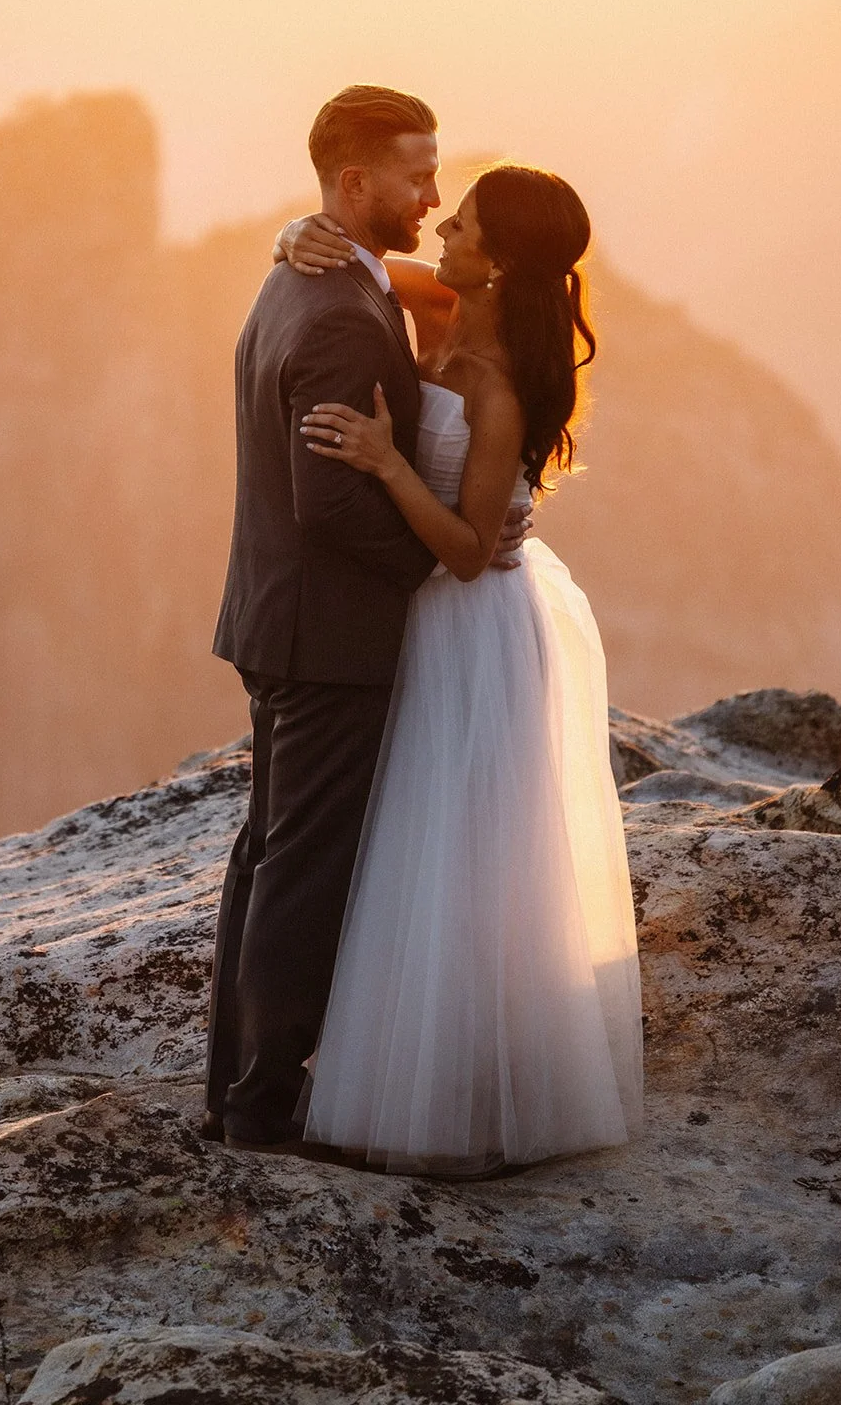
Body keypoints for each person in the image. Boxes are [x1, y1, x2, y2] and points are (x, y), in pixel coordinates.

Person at [287, 163, 643, 1177]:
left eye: (465, 222)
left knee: (464, 857)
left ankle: (469, 1096)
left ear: (503, 257)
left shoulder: (499, 387)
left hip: (473, 622)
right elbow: (361, 265)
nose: (440, 223)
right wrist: (293, 233)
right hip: (425, 614)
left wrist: (383, 458)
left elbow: (464, 543)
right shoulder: (438, 299)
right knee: (413, 844)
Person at [205, 86, 531, 1152]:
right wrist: (430, 570)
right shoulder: (342, 310)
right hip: (326, 631)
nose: (433, 197)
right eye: (415, 175)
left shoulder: (316, 273)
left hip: (275, 615)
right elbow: (333, 500)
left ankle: (235, 1087)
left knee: (267, 853)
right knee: (302, 868)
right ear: (354, 184)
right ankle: (261, 1104)